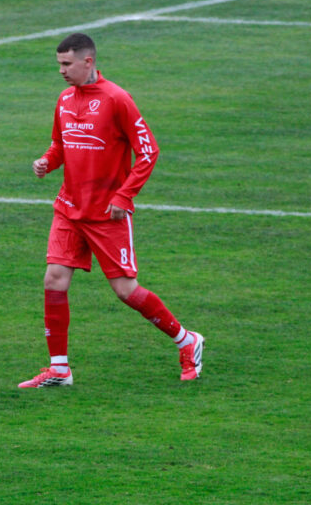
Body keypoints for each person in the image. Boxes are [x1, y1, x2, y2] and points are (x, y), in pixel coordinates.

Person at [19, 33, 204, 389]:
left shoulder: (118, 100)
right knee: (53, 280)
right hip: (69, 208)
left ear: (88, 62)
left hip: (108, 214)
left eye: (66, 64)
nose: (61, 71)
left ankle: (187, 341)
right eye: (59, 64)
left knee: (125, 291)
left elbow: (148, 151)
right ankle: (59, 368)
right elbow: (61, 145)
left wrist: (124, 196)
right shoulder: (64, 99)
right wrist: (47, 161)